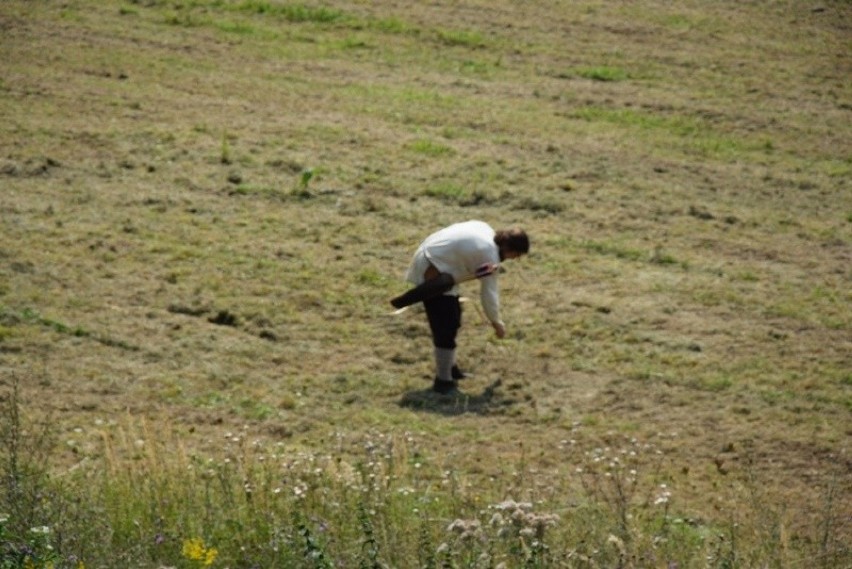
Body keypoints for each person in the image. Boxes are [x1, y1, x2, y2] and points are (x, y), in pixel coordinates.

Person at [401, 220, 529, 394]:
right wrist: (497, 323)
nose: (515, 258)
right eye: (516, 254)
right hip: (431, 271)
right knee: (445, 326)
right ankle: (443, 381)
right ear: (507, 247)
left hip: (440, 265)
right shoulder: (488, 255)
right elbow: (489, 293)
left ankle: (450, 370)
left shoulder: (485, 229)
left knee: (453, 318)